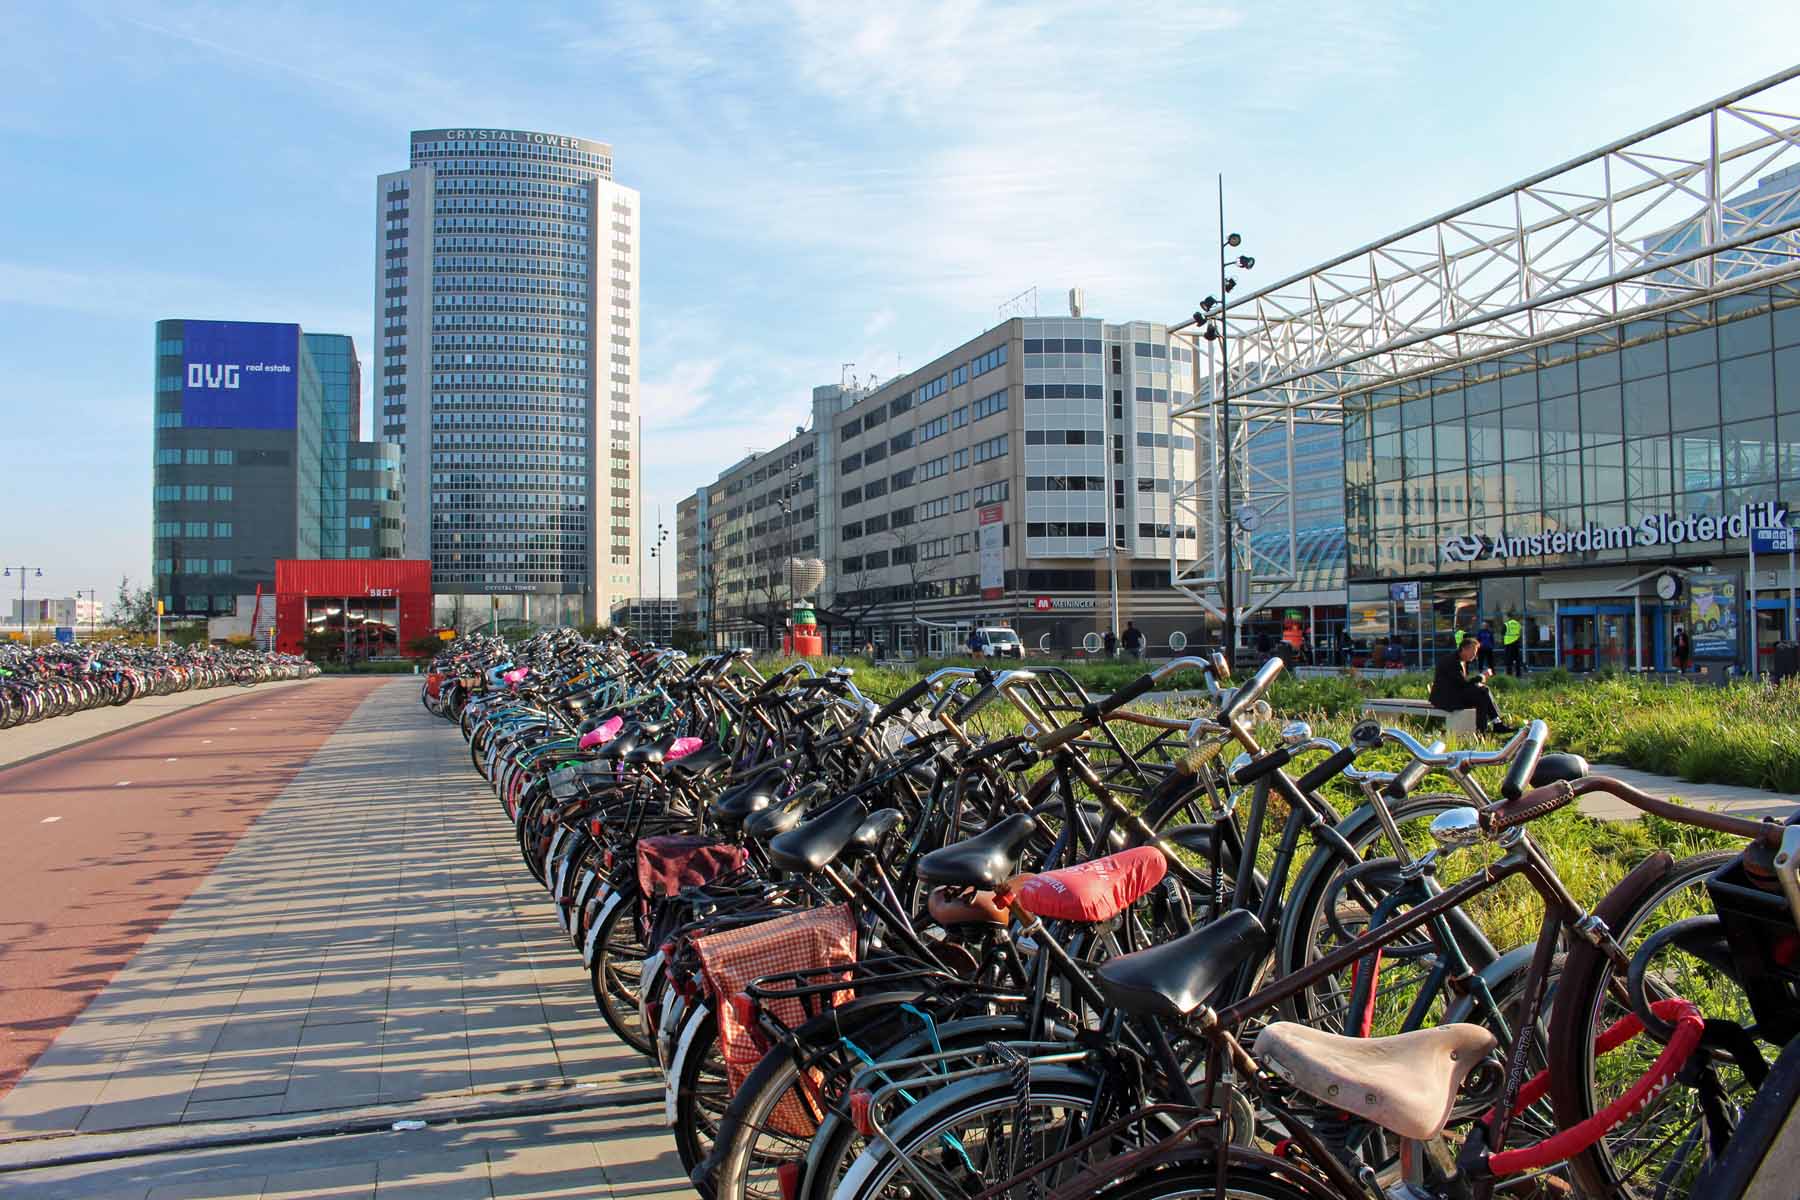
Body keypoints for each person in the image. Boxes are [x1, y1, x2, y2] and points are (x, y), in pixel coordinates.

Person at [1431, 636, 1514, 735]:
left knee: (1482, 692)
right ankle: (1488, 728)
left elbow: (1462, 684)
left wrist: (1479, 681)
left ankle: (1488, 728)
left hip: (1452, 694)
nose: (1475, 655)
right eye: (1473, 652)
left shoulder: (1459, 659)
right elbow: (1462, 684)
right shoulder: (1452, 662)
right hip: (1445, 699)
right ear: (1464, 649)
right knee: (1482, 693)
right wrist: (1481, 677)